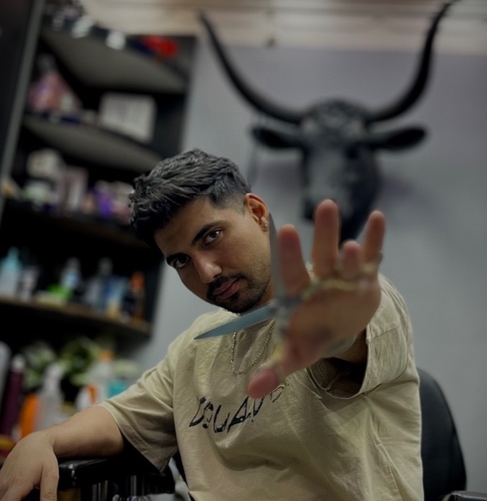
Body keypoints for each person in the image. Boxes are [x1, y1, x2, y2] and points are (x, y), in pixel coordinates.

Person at [0, 148, 422, 500]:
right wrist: (43, 440)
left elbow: (350, 334)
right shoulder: (197, 346)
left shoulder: (350, 303)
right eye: (181, 260)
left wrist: (332, 333)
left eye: (211, 237)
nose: (206, 272)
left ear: (256, 212)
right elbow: (121, 419)